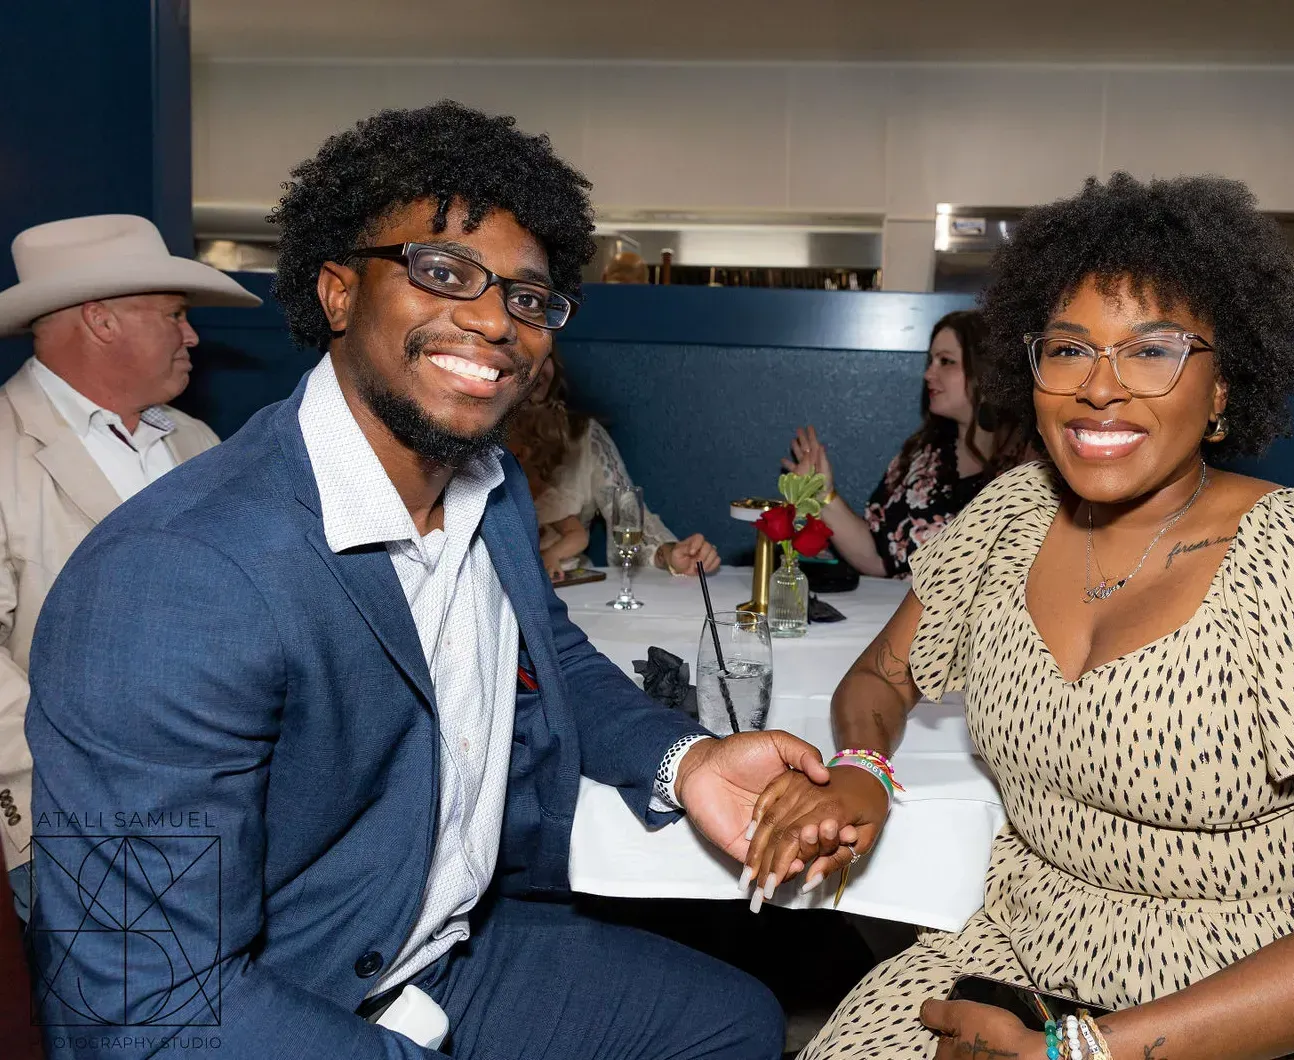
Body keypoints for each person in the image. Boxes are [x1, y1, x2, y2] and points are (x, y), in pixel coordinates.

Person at [26, 101, 825, 1060]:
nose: (494, 321)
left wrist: (682, 761)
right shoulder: (172, 579)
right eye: (442, 272)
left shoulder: (488, 488)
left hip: (429, 947)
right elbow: (145, 1011)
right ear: (335, 292)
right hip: (276, 995)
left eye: (527, 298)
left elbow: (549, 654)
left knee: (731, 1022)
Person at [742, 174, 1294, 1060]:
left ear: (1221, 390)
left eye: (1152, 350)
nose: (1099, 388)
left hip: (1261, 999)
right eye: (1068, 349)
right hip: (1015, 953)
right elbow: (882, 674)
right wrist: (862, 768)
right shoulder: (1012, 514)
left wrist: (1072, 1052)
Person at [0, 213, 258, 906]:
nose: (192, 334)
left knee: (223, 1003)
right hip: (85, 830)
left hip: (229, 799)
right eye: (174, 314)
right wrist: (66, 803)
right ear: (101, 321)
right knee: (129, 1010)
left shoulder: (196, 440)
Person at [783, 310, 1029, 578]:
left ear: (986, 373)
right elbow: (879, 558)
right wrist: (823, 495)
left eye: (946, 361)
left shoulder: (1029, 465)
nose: (928, 374)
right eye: (931, 361)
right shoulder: (924, 457)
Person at [505, 347, 720, 581]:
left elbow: (626, 513)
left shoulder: (582, 437)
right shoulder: (469, 438)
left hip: (568, 589)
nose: (538, 368)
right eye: (522, 351)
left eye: (545, 355)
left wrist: (669, 554)